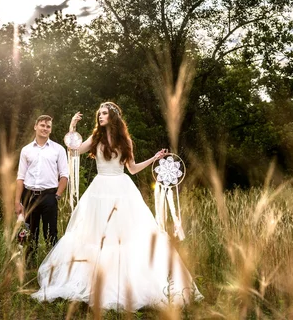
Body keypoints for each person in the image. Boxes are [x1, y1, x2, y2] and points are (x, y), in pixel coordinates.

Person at [31, 102, 202, 311]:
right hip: (99, 190)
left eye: (104, 113)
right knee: (96, 237)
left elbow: (132, 169)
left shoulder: (125, 141)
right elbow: (74, 149)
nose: (100, 116)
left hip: (122, 190)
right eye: (99, 114)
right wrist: (72, 127)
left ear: (113, 116)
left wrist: (154, 158)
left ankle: (126, 284)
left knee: (125, 239)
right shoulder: (96, 138)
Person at [15, 115, 69, 259]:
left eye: (48, 126)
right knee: (29, 233)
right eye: (42, 125)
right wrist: (17, 202)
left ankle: (53, 265)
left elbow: (64, 176)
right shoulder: (26, 150)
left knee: (50, 233)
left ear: (50, 130)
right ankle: (29, 266)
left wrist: (57, 195)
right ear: (35, 126)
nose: (45, 128)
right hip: (28, 195)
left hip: (49, 196)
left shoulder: (58, 149)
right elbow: (20, 177)